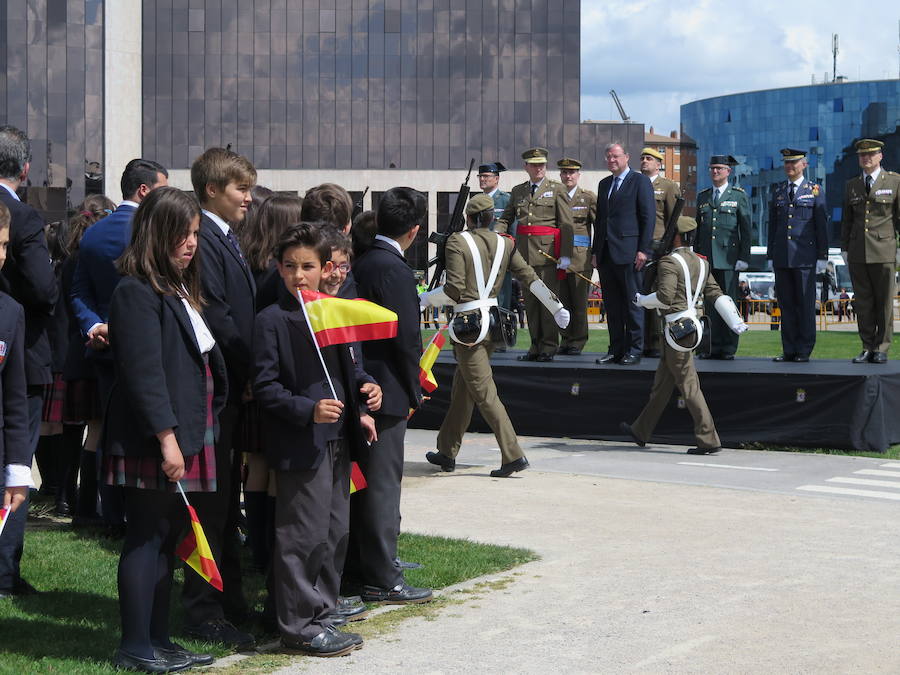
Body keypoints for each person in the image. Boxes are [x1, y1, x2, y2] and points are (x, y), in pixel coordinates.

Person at [104, 186, 224, 672]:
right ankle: (136, 645)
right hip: (154, 437)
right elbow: (144, 373)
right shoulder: (135, 290)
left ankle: (160, 639)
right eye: (182, 233)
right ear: (157, 233)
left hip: (186, 431)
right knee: (147, 537)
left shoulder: (175, 287)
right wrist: (167, 438)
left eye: (195, 233)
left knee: (169, 536)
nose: (191, 242)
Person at [253, 223, 381, 657]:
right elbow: (266, 388)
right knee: (301, 536)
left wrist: (365, 397)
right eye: (289, 267)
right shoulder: (272, 320)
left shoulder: (333, 311)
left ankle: (324, 612)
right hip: (301, 442)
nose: (298, 275)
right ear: (278, 268)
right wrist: (307, 409)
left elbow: (349, 370)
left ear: (324, 267)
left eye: (307, 266)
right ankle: (297, 625)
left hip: (339, 439)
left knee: (333, 532)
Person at [421, 194, 570, 476]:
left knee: (484, 393)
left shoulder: (457, 242)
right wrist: (556, 306)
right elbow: (530, 278)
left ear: (468, 218)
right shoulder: (506, 243)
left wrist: (426, 299)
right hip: (493, 323)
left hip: (468, 328)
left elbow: (453, 290)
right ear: (491, 217)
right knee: (463, 390)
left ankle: (513, 455)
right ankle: (447, 450)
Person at [343, 187, 432, 604]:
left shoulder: (366, 259)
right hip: (385, 388)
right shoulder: (393, 268)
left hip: (365, 382)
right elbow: (406, 338)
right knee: (381, 486)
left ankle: (375, 563)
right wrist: (414, 387)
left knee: (369, 484)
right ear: (414, 230)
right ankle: (382, 576)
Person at [70, 158, 169, 528]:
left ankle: (110, 514)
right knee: (150, 431)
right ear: (144, 191)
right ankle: (143, 512)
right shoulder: (156, 232)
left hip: (104, 350)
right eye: (163, 188)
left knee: (110, 433)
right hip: (151, 349)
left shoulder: (93, 233)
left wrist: (94, 325)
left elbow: (79, 289)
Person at [185, 147, 257, 648]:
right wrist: (257, 365)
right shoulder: (206, 237)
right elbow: (219, 314)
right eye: (241, 190)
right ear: (213, 189)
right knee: (212, 505)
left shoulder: (225, 236)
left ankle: (227, 598)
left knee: (227, 500)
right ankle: (203, 609)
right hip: (222, 387)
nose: (249, 199)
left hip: (235, 388)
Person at [621, 216, 748, 455]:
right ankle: (641, 430)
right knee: (662, 385)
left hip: (676, 331)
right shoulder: (701, 263)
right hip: (690, 328)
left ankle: (708, 438)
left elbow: (664, 297)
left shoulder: (670, 262)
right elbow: (715, 294)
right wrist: (735, 320)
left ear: (676, 236)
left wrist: (642, 301)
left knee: (689, 386)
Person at [0, 125, 58, 598]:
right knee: (15, 461)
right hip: (21, 348)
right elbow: (42, 286)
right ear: (25, 168)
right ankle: (4, 572)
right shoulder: (23, 217)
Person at [58, 196, 116, 520]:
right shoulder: (94, 259)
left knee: (82, 431)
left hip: (76, 352)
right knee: (97, 430)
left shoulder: (71, 258)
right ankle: (87, 508)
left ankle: (73, 501)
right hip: (95, 350)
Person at [495, 148, 574, 362]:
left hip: (548, 256)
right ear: (526, 167)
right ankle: (535, 346)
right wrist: (495, 232)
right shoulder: (518, 190)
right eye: (534, 164)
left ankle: (548, 347)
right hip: (524, 257)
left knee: (547, 301)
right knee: (530, 304)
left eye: (542, 164)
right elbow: (507, 217)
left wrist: (566, 255)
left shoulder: (557, 189)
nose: (539, 168)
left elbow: (566, 224)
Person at [592, 142, 655, 366]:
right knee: (613, 306)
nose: (612, 160)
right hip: (607, 254)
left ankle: (635, 349)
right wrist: (595, 251)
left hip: (630, 254)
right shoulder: (604, 184)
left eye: (616, 156)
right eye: (608, 157)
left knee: (633, 304)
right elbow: (600, 221)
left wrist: (643, 250)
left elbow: (648, 218)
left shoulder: (640, 181)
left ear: (626, 157)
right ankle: (616, 349)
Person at [840, 139, 900, 364]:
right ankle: (867, 346)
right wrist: (844, 249)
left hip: (884, 250)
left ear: (880, 156)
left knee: (884, 303)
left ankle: (882, 348)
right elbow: (846, 220)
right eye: (862, 155)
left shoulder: (894, 181)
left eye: (871, 154)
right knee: (863, 303)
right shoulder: (852, 185)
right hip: (857, 252)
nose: (866, 158)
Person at [0, 203, 34, 599]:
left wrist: (16, 471)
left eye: (5, 246)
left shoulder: (11, 312)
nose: (1, 256)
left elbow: (15, 397)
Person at [767, 148, 828, 363]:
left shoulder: (814, 190)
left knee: (804, 304)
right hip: (782, 257)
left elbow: (821, 225)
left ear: (804, 165)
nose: (789, 166)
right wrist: (770, 255)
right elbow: (772, 226)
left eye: (794, 163)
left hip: (804, 258)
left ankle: (804, 349)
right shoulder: (778, 191)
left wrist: (822, 256)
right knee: (786, 305)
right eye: (786, 163)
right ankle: (789, 349)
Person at [695, 154, 751, 360]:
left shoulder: (738, 196)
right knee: (709, 304)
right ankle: (710, 346)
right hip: (707, 260)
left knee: (728, 303)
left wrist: (744, 257)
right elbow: (698, 230)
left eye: (719, 168)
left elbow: (746, 230)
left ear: (729, 171)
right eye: (712, 168)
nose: (715, 171)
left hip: (729, 259)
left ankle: (728, 347)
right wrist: (696, 257)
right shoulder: (703, 196)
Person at [640, 147, 682, 358]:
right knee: (641, 294)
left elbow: (675, 221)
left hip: (659, 249)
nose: (644, 161)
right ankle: (643, 340)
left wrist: (673, 249)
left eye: (649, 159)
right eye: (643, 158)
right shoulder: (636, 183)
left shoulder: (668, 186)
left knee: (658, 295)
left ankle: (657, 342)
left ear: (659, 164)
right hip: (639, 248)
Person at [556, 157, 596, 356]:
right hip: (558, 259)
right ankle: (565, 339)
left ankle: (578, 342)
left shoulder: (588, 197)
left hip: (580, 259)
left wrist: (596, 253)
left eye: (572, 172)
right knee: (562, 304)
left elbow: (599, 226)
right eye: (564, 172)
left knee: (579, 305)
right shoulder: (554, 195)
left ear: (578, 175)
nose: (568, 175)